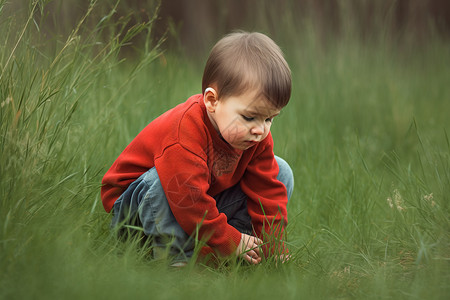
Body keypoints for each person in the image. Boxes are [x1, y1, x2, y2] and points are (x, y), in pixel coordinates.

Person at [101, 31, 294, 266]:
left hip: (196, 203)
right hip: (137, 213)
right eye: (249, 117)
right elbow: (188, 201)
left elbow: (266, 193)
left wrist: (274, 246)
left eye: (269, 119)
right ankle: (174, 262)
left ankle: (241, 252)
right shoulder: (185, 133)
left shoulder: (255, 136)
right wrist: (226, 238)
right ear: (212, 101)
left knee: (281, 171)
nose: (260, 130)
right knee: (163, 181)